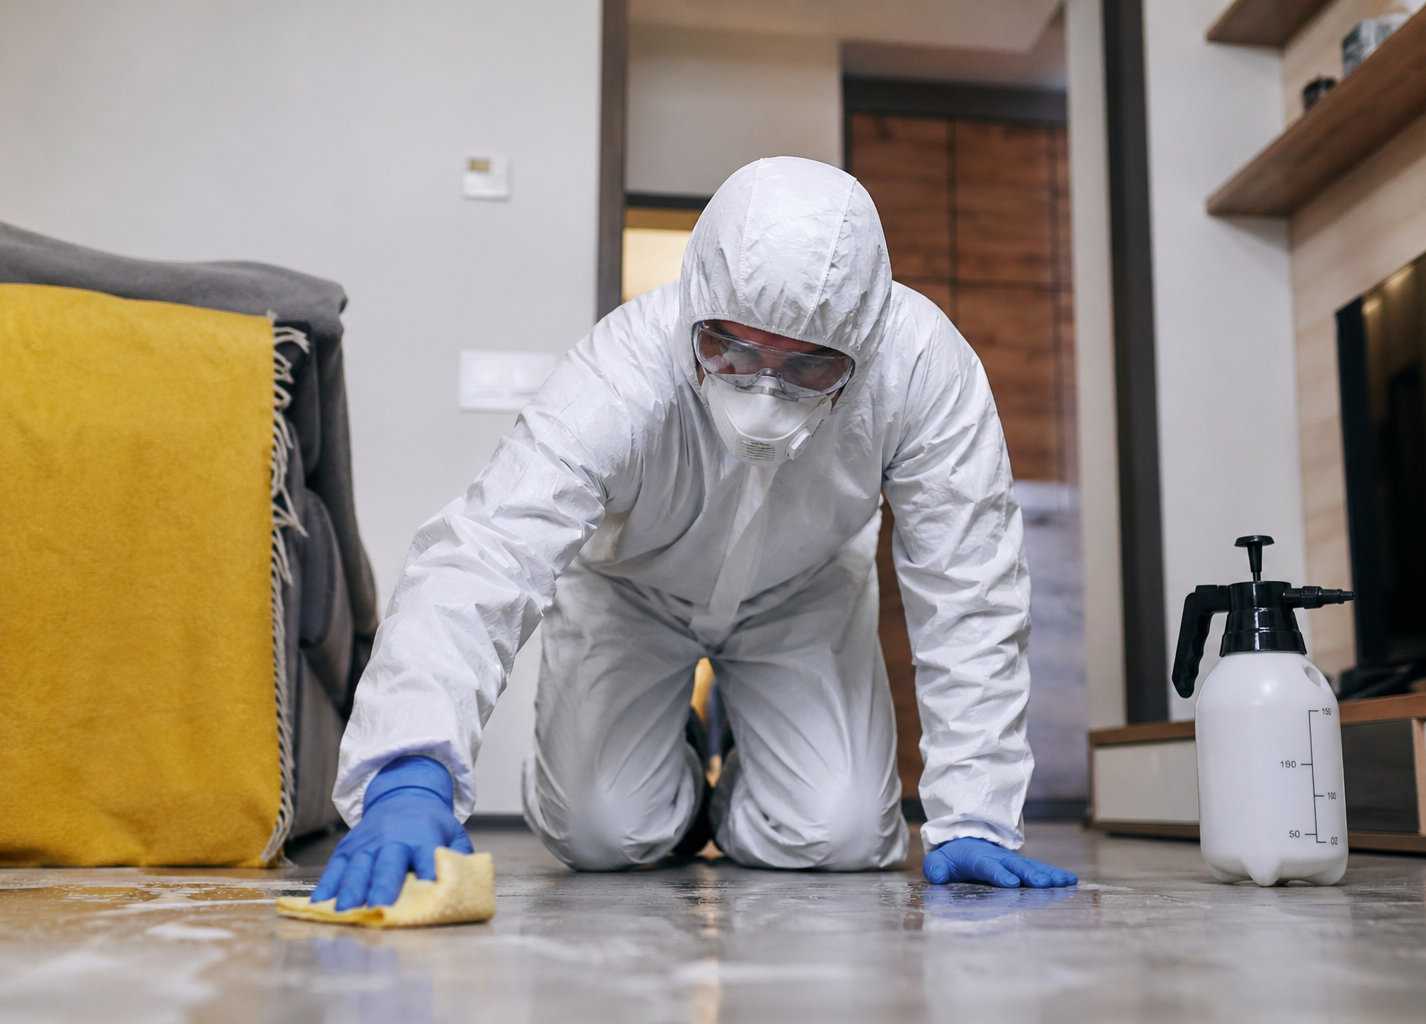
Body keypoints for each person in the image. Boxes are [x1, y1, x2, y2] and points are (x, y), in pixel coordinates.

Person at [311, 157, 1077, 910]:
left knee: (839, 836)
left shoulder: (922, 368)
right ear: (696, 307)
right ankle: (678, 741)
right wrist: (410, 771)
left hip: (802, 592)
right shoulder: (621, 370)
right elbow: (489, 550)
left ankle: (745, 749)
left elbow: (968, 585)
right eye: (731, 350)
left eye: (809, 367)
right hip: (631, 588)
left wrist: (976, 812)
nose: (765, 392)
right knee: (599, 833)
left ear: (862, 343)